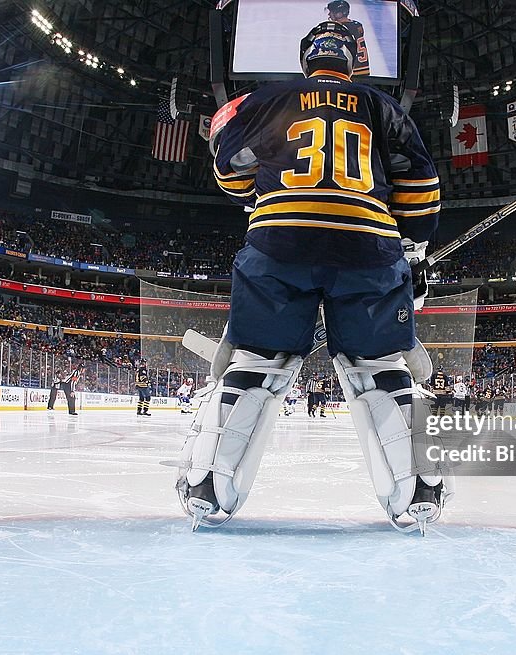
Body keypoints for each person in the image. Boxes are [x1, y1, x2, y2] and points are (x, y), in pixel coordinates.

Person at [171, 21, 449, 533]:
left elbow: (230, 170)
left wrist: (266, 182)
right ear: (351, 62)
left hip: (280, 245)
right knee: (381, 369)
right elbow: (420, 186)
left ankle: (209, 485)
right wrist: (412, 252)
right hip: (368, 247)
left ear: (307, 60)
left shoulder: (267, 98)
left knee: (256, 363)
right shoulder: (383, 108)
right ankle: (417, 494)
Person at [325, 0, 369, 76]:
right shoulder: (357, 25)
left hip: (350, 71)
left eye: (331, 12)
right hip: (363, 66)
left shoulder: (339, 28)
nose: (329, 14)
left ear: (339, 13)